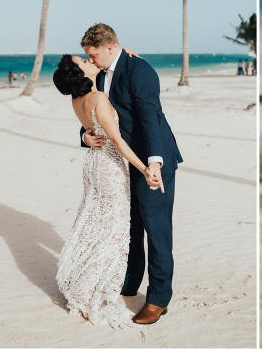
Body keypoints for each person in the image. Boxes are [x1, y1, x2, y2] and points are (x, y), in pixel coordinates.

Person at [80, 23, 183, 325]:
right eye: (88, 56)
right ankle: (130, 281)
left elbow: (150, 118)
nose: (91, 60)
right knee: (131, 224)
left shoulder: (141, 72)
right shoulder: (98, 74)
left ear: (110, 48)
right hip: (121, 163)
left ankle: (159, 298)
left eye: (94, 54)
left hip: (153, 161)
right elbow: (95, 116)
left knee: (156, 228)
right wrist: (85, 137)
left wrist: (154, 162)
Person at [53, 54, 162, 327]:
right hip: (110, 165)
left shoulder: (76, 100)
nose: (90, 61)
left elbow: (90, 129)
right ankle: (87, 289)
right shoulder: (99, 97)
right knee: (112, 230)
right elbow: (116, 139)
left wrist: (85, 136)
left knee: (94, 223)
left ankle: (79, 278)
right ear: (80, 72)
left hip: (92, 164)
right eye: (84, 61)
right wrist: (144, 168)